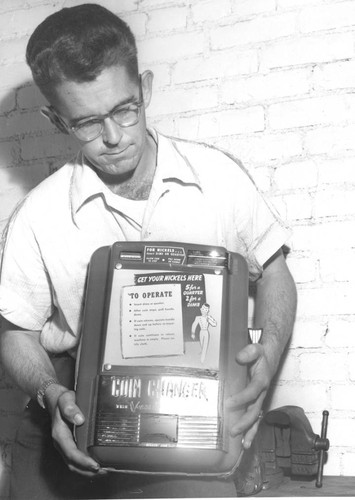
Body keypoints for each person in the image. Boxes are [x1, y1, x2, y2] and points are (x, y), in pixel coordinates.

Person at [0, 4, 297, 499]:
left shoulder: (217, 178)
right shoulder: (37, 215)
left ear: (147, 88)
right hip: (77, 397)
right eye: (88, 123)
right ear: (55, 120)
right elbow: (15, 332)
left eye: (124, 109)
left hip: (196, 400)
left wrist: (266, 356)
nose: (113, 138)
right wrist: (51, 395)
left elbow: (275, 274)